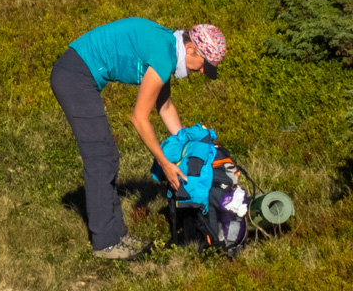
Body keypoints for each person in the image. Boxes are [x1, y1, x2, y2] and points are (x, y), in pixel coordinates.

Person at [49, 18, 228, 260]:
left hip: (78, 74)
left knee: (107, 156)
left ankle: (116, 235)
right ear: (191, 49)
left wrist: (189, 147)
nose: (203, 71)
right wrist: (165, 163)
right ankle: (106, 243)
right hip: (75, 76)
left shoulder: (167, 48)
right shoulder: (165, 56)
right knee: (101, 158)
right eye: (205, 64)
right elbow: (139, 119)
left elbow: (165, 107)